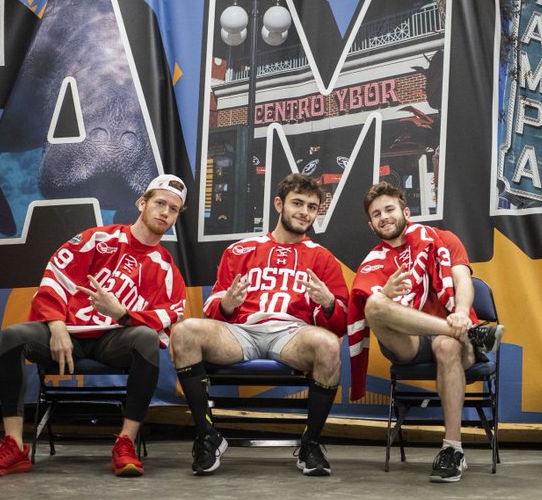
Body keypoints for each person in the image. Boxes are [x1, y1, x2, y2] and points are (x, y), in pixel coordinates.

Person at [0, 174, 188, 478]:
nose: (165, 212)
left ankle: (125, 441)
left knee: (146, 340)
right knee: (13, 336)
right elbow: (55, 276)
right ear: (142, 202)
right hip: (68, 335)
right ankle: (14, 445)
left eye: (174, 209)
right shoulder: (98, 239)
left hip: (113, 343)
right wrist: (57, 325)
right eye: (160, 203)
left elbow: (169, 315)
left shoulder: (167, 271)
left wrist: (123, 314)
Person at [172, 173, 348, 477]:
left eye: (312, 206)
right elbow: (213, 310)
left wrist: (328, 302)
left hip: (292, 334)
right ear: (279, 204)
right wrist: (228, 303)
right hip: (242, 332)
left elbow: (341, 323)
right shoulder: (240, 250)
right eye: (297, 203)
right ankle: (207, 435)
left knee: (329, 346)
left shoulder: (324, 258)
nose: (304, 212)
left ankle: (311, 443)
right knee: (185, 332)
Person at [347, 181, 502, 483]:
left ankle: (453, 449)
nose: (384, 217)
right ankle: (468, 333)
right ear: (371, 224)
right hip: (410, 343)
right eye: (376, 214)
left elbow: (462, 281)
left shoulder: (443, 240)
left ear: (405, 211)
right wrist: (388, 294)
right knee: (375, 304)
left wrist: (459, 313)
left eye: (389, 209)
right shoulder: (373, 263)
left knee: (446, 345)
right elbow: (375, 312)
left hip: (453, 336)